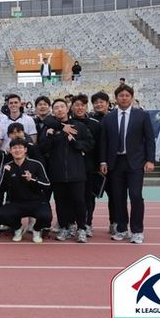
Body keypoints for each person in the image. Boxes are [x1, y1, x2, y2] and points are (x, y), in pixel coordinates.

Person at [99, 84, 156, 244]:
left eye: (127, 95)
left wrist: (150, 160)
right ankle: (122, 229)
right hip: (115, 163)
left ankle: (137, 230)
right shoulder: (108, 117)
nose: (124, 98)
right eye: (121, 96)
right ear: (116, 98)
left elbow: (150, 139)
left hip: (135, 162)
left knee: (136, 196)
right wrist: (103, 161)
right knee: (118, 197)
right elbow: (104, 141)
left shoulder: (142, 115)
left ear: (131, 97)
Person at [38, 99, 94, 243]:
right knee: (60, 202)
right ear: (53, 111)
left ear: (67, 109)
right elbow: (42, 148)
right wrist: (49, 137)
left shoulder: (79, 126)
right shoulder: (48, 127)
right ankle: (64, 227)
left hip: (77, 172)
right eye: (56, 107)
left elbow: (89, 144)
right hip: (57, 172)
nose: (59, 110)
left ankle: (81, 228)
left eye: (62, 106)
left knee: (79, 201)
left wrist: (75, 143)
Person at [0, 138, 52, 244]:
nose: (17, 150)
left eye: (20, 148)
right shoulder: (8, 167)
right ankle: (18, 228)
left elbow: (47, 185)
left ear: (25, 150)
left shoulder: (36, 164)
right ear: (10, 150)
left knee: (46, 217)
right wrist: (5, 175)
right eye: (14, 148)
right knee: (0, 215)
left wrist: (32, 179)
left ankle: (36, 230)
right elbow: (1, 189)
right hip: (16, 202)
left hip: (36, 202)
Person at [70, 94, 102, 237]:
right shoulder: (66, 123)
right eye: (77, 105)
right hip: (72, 168)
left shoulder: (95, 124)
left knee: (88, 197)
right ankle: (71, 223)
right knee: (73, 197)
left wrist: (101, 163)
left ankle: (87, 223)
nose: (80, 108)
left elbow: (100, 146)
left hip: (90, 167)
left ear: (86, 107)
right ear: (72, 107)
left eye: (82, 105)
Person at [90, 91, 116, 232]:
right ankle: (87, 224)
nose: (98, 104)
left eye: (101, 102)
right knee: (90, 196)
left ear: (107, 103)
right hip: (93, 165)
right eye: (95, 102)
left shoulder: (115, 118)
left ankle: (114, 223)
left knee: (114, 196)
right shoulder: (90, 120)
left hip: (112, 165)